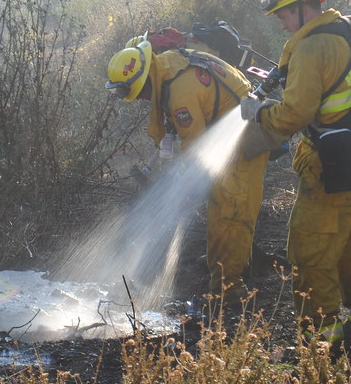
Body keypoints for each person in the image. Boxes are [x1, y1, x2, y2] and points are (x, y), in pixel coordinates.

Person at [239, 0, 351, 348]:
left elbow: (296, 113)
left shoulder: (310, 47)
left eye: (285, 14)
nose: (281, 24)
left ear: (304, 7)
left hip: (328, 166)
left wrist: (260, 115)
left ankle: (321, 343)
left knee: (311, 250)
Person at [105, 38, 270, 304]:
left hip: (243, 134)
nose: (142, 98)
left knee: (228, 211)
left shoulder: (180, 93)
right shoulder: (166, 65)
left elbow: (196, 150)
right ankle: (236, 270)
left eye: (140, 92)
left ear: (145, 78)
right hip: (225, 129)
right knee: (224, 208)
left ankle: (228, 290)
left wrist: (182, 187)